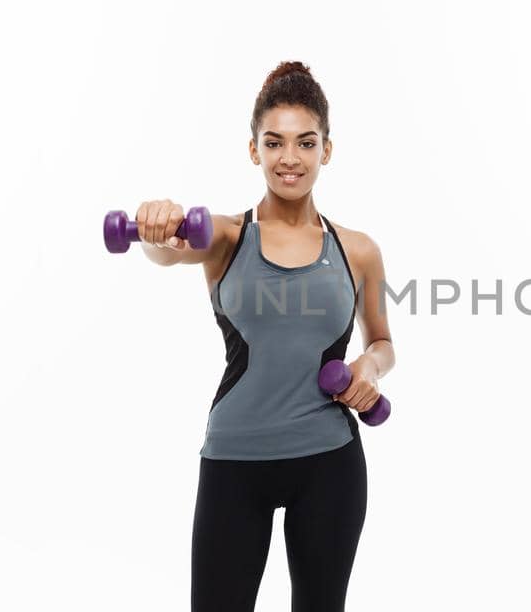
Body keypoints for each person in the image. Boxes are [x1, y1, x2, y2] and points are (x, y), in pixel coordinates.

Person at [132, 61, 395, 612]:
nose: (289, 158)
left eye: (305, 142)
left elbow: (382, 343)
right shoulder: (226, 235)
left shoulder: (359, 250)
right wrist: (156, 227)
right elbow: (166, 252)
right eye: (274, 143)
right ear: (254, 150)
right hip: (234, 460)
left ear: (327, 149)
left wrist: (367, 371)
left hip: (329, 462)